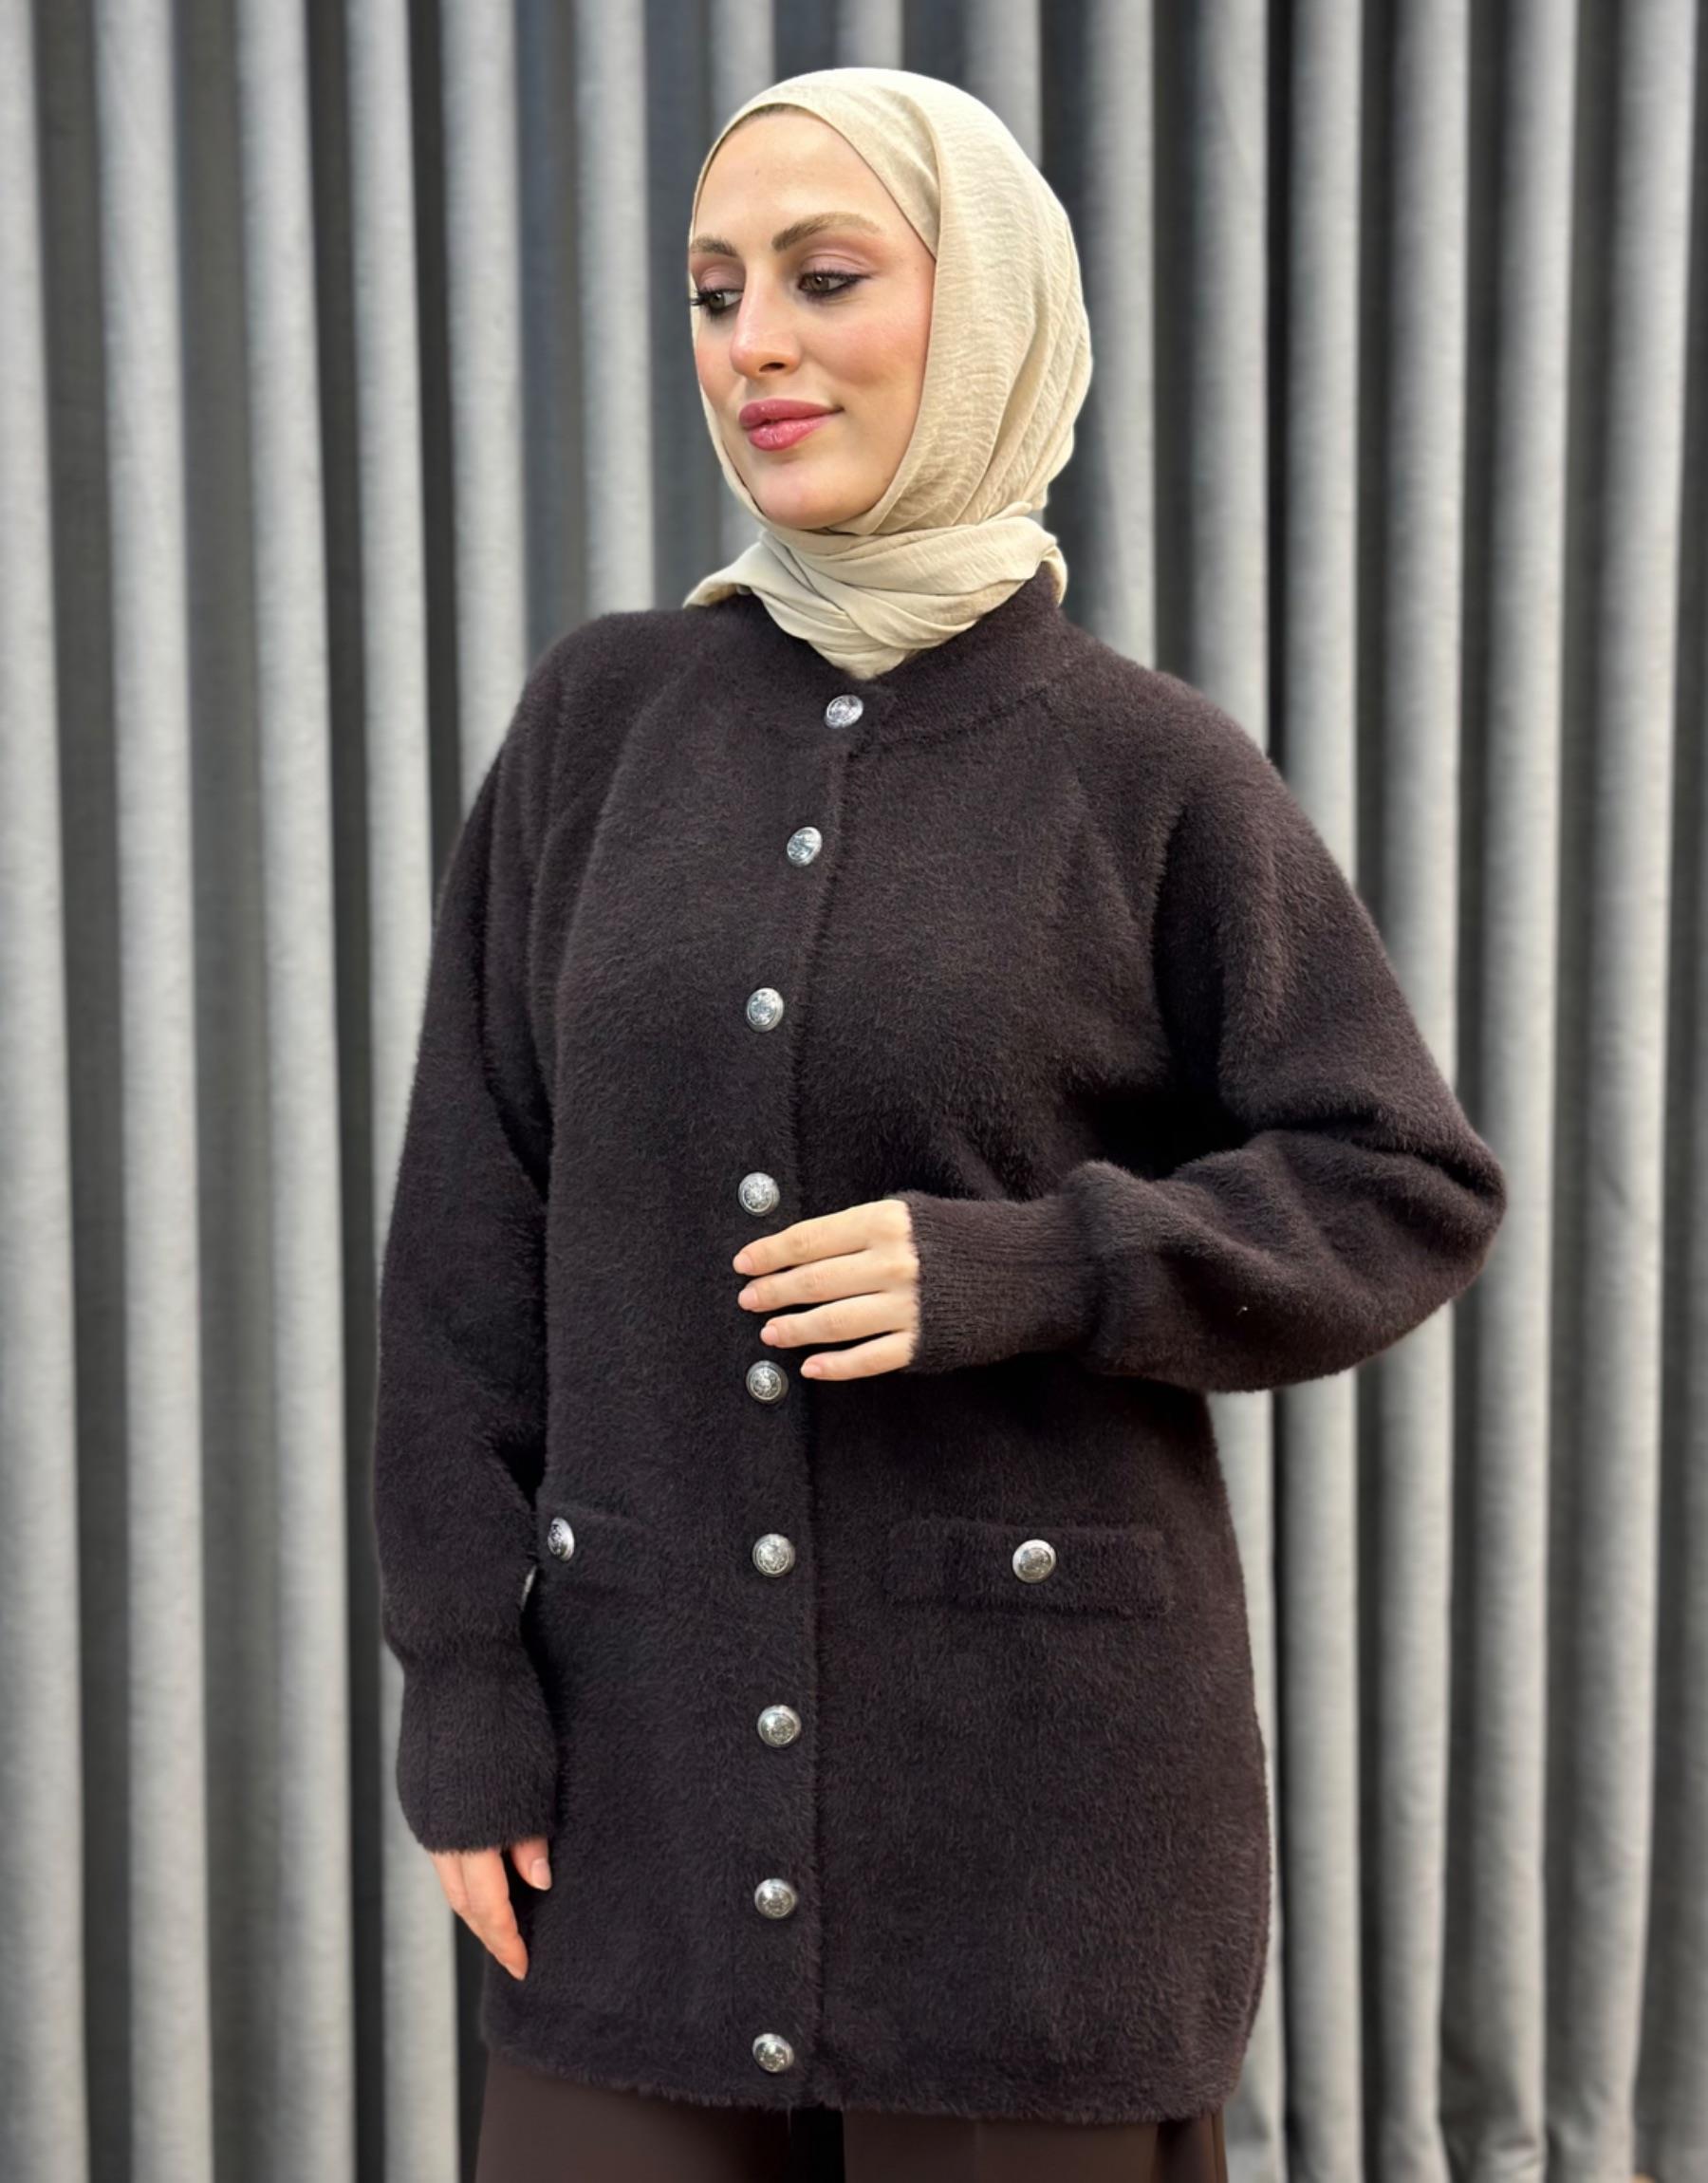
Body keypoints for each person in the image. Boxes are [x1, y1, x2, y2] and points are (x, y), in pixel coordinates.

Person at [370, 65, 1508, 2183]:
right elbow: (462, 1246)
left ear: (985, 310)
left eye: (826, 277)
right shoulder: (597, 728)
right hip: (643, 1806)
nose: (755, 343)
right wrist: (463, 1685)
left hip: (1043, 1841)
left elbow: (1400, 1181)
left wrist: (1034, 1264)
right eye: (715, 290)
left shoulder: (1148, 772)